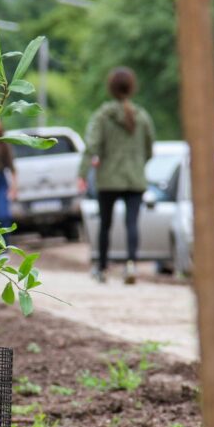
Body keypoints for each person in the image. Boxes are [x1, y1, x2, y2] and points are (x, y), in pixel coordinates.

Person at [77, 67, 155, 284]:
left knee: (105, 224)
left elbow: (91, 146)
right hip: (135, 179)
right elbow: (149, 150)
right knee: (132, 223)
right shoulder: (143, 117)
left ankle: (101, 268)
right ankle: (131, 266)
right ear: (132, 88)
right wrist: (137, 165)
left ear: (110, 88)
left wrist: (82, 173)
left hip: (108, 179)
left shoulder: (102, 117)